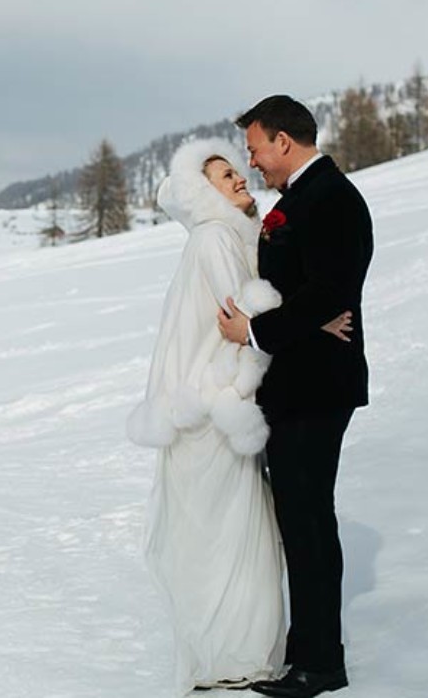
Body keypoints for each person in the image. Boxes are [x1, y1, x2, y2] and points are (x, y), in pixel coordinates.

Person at [129, 138, 352, 695]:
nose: (238, 179)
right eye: (224, 175)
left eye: (236, 169)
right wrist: (318, 322)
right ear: (204, 195)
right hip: (213, 410)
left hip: (218, 407)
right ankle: (236, 652)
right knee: (230, 534)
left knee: (237, 532)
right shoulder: (215, 240)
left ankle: (240, 648)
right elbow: (243, 310)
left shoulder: (229, 235)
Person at [218, 95, 373, 698]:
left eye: (255, 148)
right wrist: (310, 314)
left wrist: (255, 330)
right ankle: (308, 652)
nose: (252, 161)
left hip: (316, 388)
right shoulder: (299, 201)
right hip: (295, 383)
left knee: (307, 523)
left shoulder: (331, 198)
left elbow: (331, 286)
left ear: (284, 141)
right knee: (299, 521)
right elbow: (311, 292)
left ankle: (318, 663)